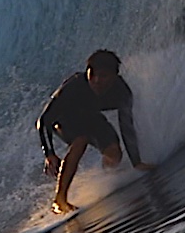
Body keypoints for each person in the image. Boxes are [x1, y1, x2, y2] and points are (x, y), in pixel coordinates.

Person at [36, 49, 156, 215]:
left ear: (115, 76)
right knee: (81, 140)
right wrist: (49, 154)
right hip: (64, 119)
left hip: (90, 118)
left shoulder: (122, 92)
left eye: (104, 76)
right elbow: (43, 121)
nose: (97, 81)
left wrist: (136, 162)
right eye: (92, 75)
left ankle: (107, 179)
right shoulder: (74, 86)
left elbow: (126, 126)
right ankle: (60, 199)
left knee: (114, 153)